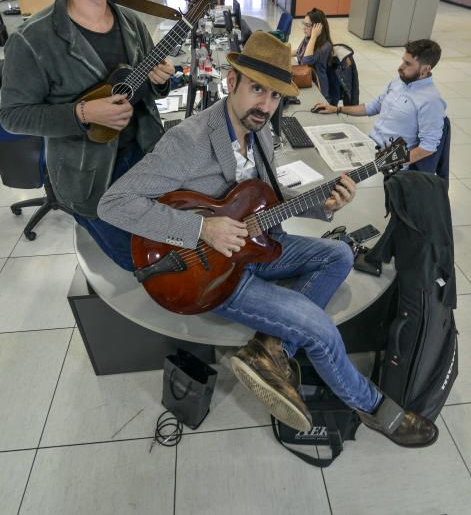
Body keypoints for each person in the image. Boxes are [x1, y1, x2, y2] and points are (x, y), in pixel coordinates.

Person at [98, 32, 437, 448]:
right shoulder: (189, 141)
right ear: (231, 82)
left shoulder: (261, 131)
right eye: (257, 89)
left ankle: (270, 348)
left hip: (256, 246)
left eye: (276, 95)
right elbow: (113, 205)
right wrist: (203, 229)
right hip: (208, 271)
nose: (266, 105)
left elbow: (266, 202)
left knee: (339, 254)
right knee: (320, 330)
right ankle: (374, 408)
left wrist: (325, 204)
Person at [0, 0, 174, 270]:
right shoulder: (32, 40)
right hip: (91, 179)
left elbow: (142, 92)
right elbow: (13, 117)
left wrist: (160, 81)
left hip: (146, 157)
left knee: (182, 242)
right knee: (146, 264)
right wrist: (81, 113)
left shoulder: (132, 23)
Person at [313, 39, 446, 165]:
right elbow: (373, 107)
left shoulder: (431, 101)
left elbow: (428, 147)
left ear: (425, 69)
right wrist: (337, 109)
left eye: (408, 64)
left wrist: (388, 162)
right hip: (370, 146)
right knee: (318, 150)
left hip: (389, 161)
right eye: (403, 61)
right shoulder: (399, 82)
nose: (401, 67)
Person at [292, 7, 333, 102]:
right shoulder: (308, 38)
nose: (304, 28)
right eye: (304, 24)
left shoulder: (325, 46)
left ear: (317, 27)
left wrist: (314, 36)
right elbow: (298, 52)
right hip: (307, 80)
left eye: (307, 25)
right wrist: (280, 52)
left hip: (319, 91)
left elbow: (306, 61)